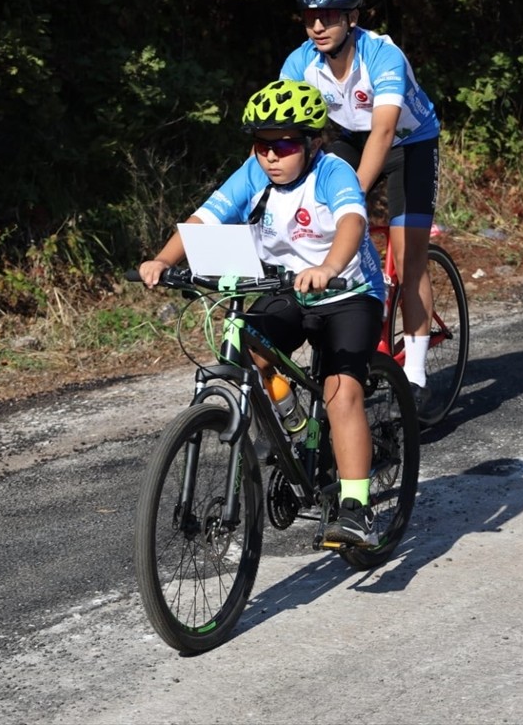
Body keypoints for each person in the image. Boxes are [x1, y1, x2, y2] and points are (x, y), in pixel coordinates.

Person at [137, 79, 388, 546]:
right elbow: (205, 218)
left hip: (347, 292)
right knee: (246, 347)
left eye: (285, 144)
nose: (271, 156)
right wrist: (163, 260)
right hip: (287, 287)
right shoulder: (254, 173)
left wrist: (329, 267)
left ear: (313, 143)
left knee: (340, 392)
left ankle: (357, 510)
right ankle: (293, 419)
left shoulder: (332, 172)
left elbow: (352, 222)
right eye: (262, 144)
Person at [280, 0, 441, 412]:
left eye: (329, 16)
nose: (317, 26)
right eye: (310, 16)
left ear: (352, 18)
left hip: (409, 143)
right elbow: (285, 129)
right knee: (324, 228)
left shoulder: (382, 55)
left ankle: (416, 375)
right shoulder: (300, 63)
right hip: (352, 138)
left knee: (408, 259)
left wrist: (352, 198)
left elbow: (385, 131)